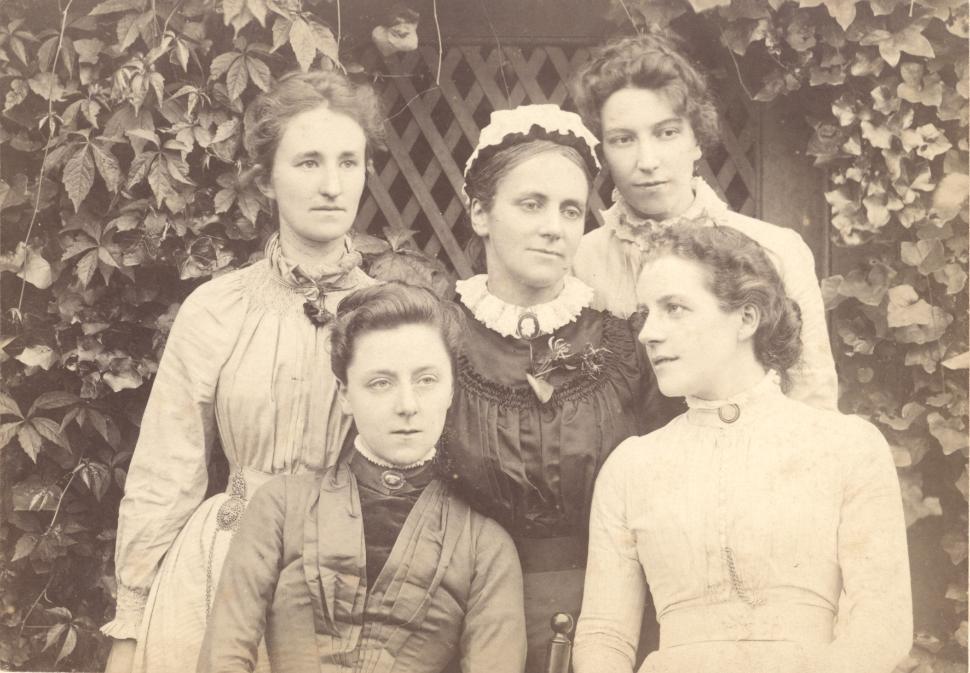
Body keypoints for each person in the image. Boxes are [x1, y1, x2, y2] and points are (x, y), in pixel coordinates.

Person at [101, 70, 384, 673]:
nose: (332, 184)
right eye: (308, 162)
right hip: (221, 566)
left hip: (352, 574)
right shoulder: (218, 308)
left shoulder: (390, 316)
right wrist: (129, 627)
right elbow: (166, 469)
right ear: (266, 177)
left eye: (349, 162)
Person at [573, 223, 913, 673]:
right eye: (645, 313)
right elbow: (605, 636)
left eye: (674, 308)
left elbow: (882, 625)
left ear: (747, 319)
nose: (647, 333)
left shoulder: (846, 446)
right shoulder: (632, 467)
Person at [446, 104, 674, 672]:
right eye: (531, 204)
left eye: (571, 210)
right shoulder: (435, 343)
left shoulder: (626, 349)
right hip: (462, 628)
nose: (554, 226)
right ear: (479, 213)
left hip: (611, 626)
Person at [197, 282, 527, 673]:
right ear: (344, 393)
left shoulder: (484, 545)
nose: (408, 406)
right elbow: (224, 657)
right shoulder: (281, 508)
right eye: (380, 383)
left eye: (426, 380)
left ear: (452, 390)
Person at [571, 33, 838, 410]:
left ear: (697, 139)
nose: (647, 160)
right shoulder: (578, 262)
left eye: (666, 133)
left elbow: (813, 400)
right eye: (623, 139)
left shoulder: (777, 250)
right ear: (604, 151)